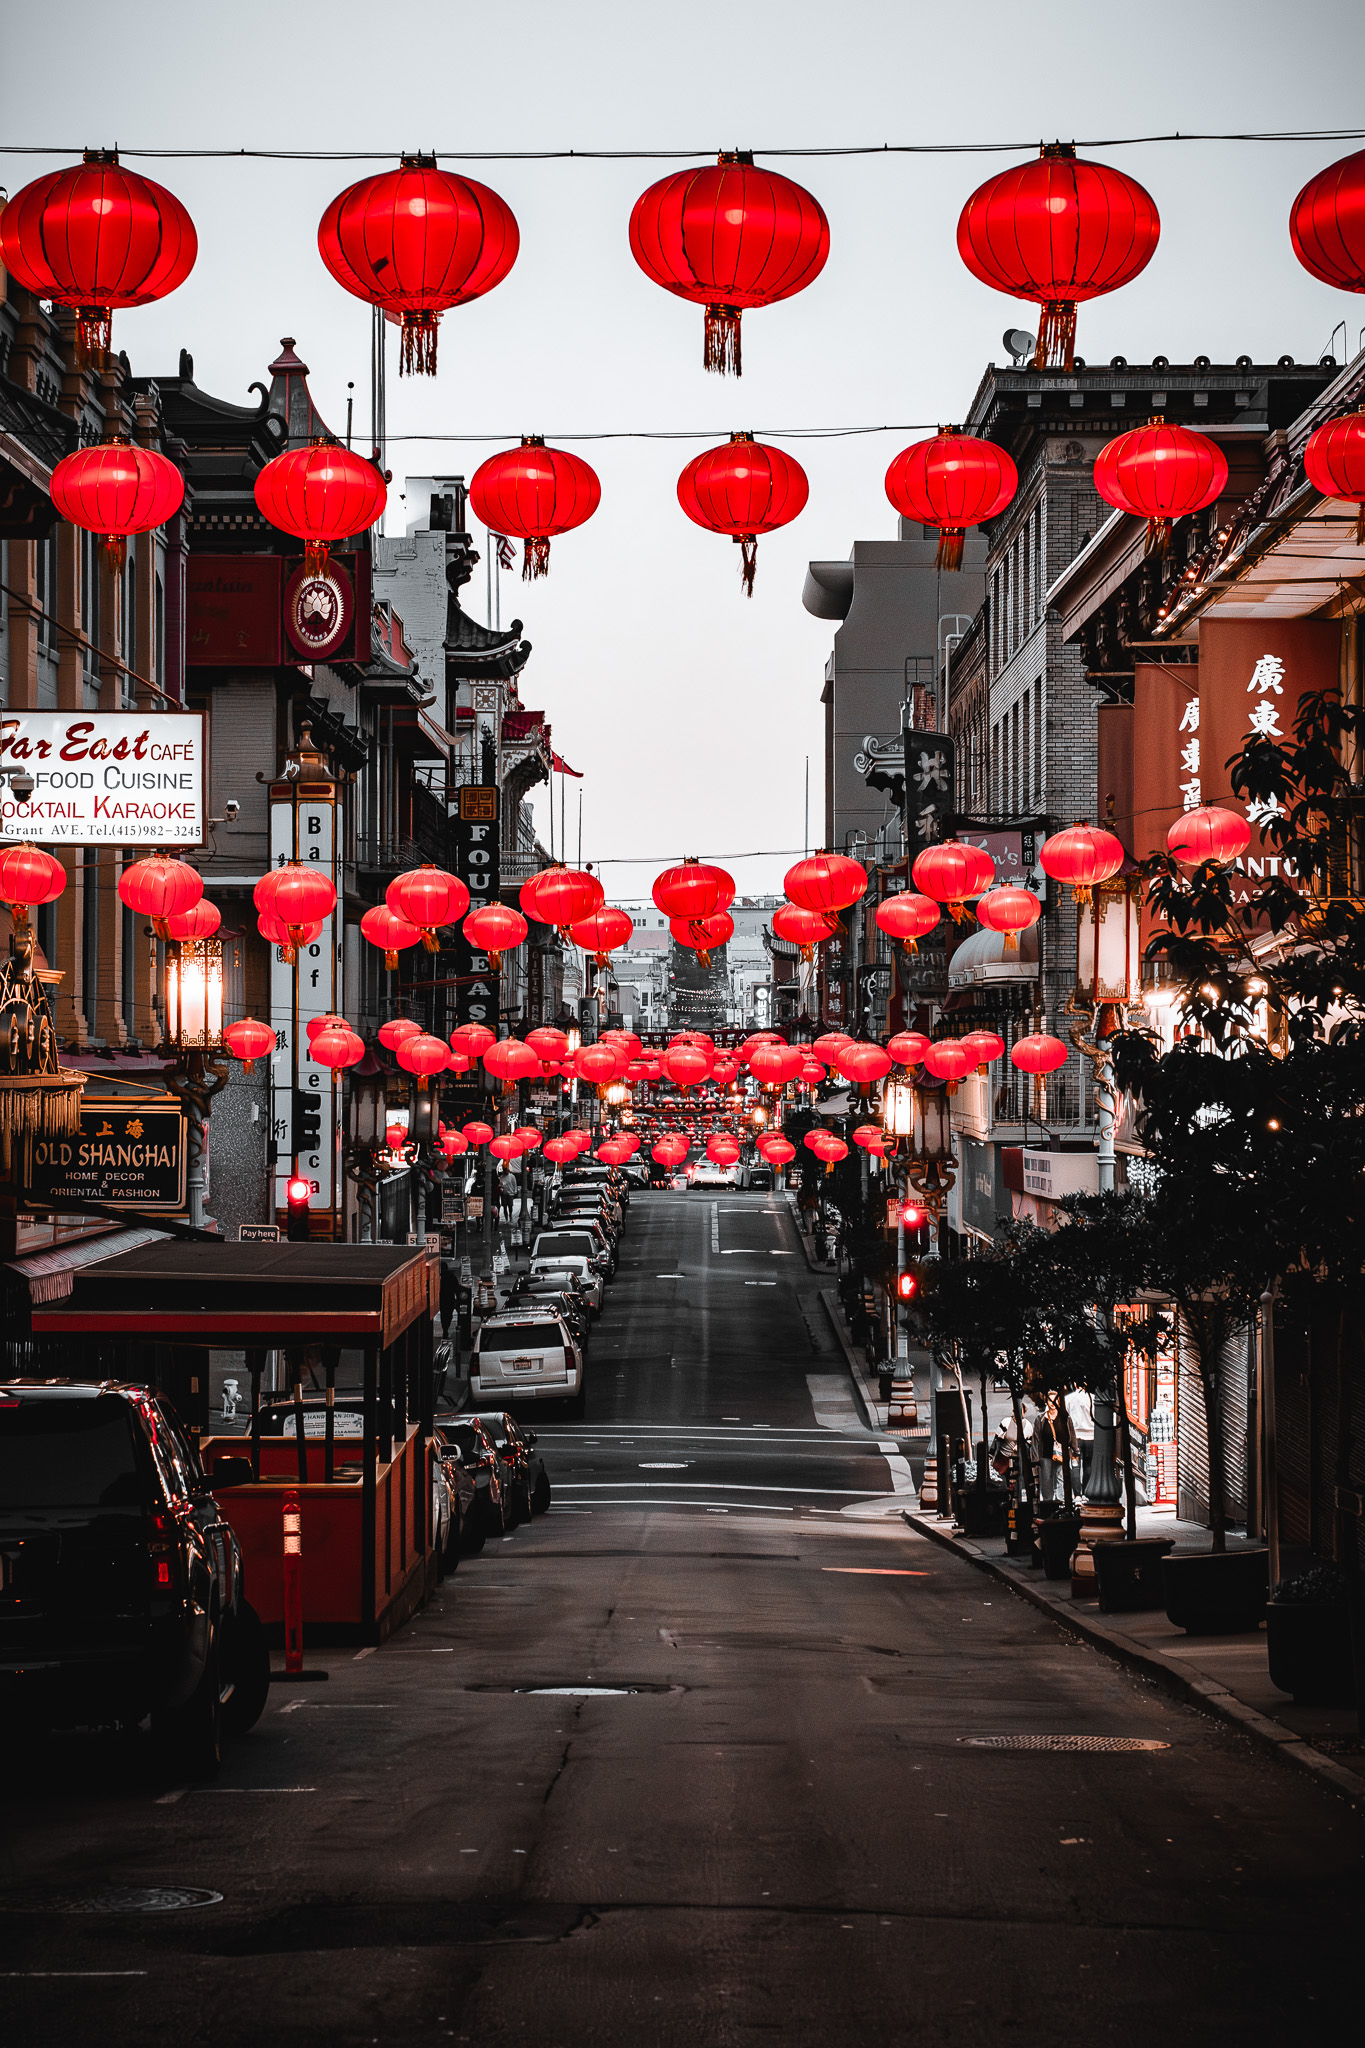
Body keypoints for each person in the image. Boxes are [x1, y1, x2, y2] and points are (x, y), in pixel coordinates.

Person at [1066, 1385, 1095, 1493]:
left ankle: (1077, 1493)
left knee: (1075, 1465)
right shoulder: (1092, 1398)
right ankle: (1085, 1492)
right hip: (1091, 1436)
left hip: (1075, 1436)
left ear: (1074, 1384)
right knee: (1088, 1465)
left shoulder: (1069, 1399)